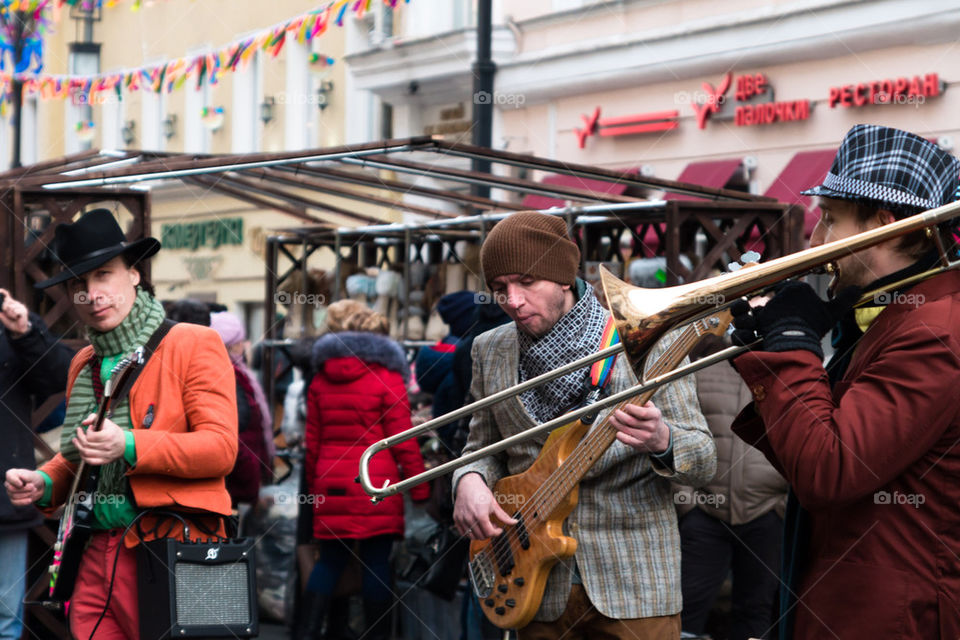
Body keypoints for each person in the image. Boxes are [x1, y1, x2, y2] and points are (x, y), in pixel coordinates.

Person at [728, 124, 960, 639]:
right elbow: (816, 447)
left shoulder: (935, 330)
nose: (816, 241)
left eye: (830, 219)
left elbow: (830, 470)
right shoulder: (895, 314)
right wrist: (768, 349)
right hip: (855, 592)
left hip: (893, 612)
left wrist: (790, 349)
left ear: (888, 224)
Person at [451, 211, 717, 639]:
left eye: (526, 282)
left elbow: (704, 460)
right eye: (499, 289)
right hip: (535, 588)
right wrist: (468, 481)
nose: (512, 300)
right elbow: (481, 449)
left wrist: (663, 440)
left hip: (634, 589)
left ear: (562, 278)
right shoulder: (489, 349)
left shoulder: (652, 338)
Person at [4, 209, 238, 640]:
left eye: (103, 276)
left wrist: (129, 444)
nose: (92, 294)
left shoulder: (193, 342)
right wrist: (43, 482)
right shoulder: (84, 362)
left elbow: (220, 449)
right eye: (78, 284)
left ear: (133, 274)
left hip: (173, 549)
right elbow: (79, 460)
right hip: (93, 553)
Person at [300, 299, 430, 640]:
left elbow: (311, 444)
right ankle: (377, 634)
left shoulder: (320, 379)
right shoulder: (388, 378)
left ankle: (306, 631)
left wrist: (314, 489)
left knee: (329, 560)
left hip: (331, 484)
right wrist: (420, 488)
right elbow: (403, 441)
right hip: (376, 481)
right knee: (376, 562)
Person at [675, 334, 787, 640]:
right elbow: (676, 432)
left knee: (756, 611)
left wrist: (782, 504)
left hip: (767, 514)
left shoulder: (788, 370)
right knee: (684, 611)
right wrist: (687, 504)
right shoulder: (702, 366)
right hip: (705, 514)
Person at [0, 290, 73, 640]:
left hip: (4, 496)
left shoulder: (12, 326)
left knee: (4, 619)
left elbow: (59, 376)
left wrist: (24, 330)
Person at [210, 311, 275, 507]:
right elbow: (239, 428)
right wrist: (250, 478)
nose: (243, 346)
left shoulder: (239, 372)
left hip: (243, 470)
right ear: (231, 345)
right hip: (237, 475)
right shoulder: (229, 374)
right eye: (239, 342)